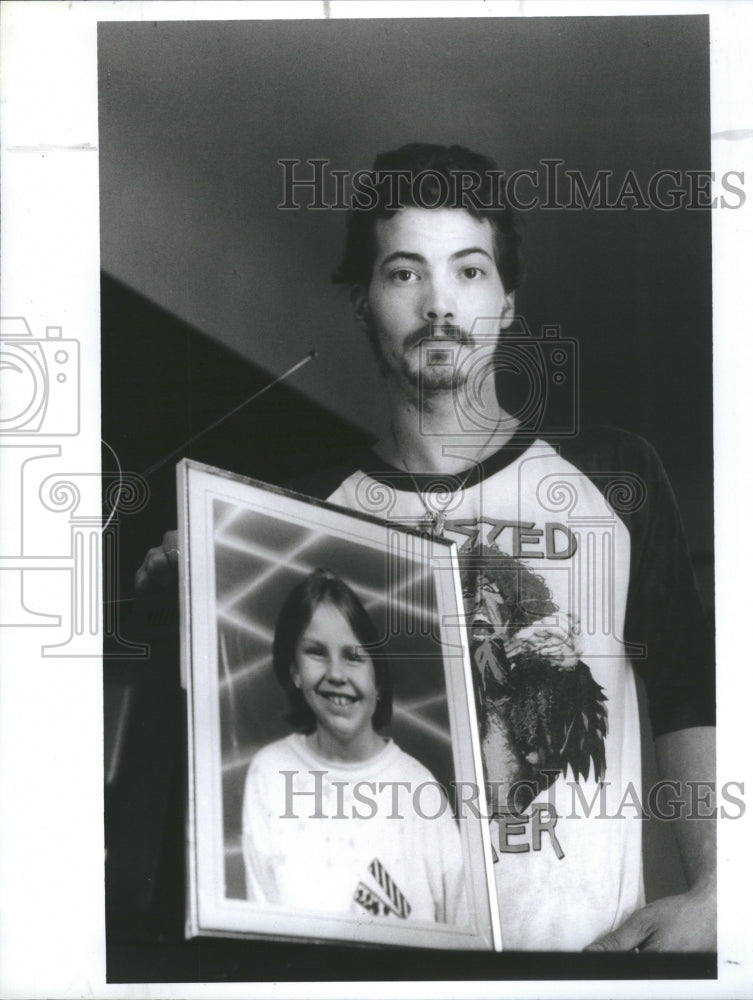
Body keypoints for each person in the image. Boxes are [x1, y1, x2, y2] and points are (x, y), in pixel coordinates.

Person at [136, 143, 716, 952]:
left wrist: (718, 889)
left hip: (584, 962)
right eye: (404, 272)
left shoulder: (611, 474)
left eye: (469, 271)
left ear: (508, 302)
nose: (439, 304)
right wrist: (202, 605)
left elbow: (692, 687)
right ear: (363, 303)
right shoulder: (302, 517)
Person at [242, 567, 467, 925]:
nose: (336, 674)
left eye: (353, 656)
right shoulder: (269, 773)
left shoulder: (420, 789)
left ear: (378, 682)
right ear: (295, 672)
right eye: (316, 652)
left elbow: (462, 929)